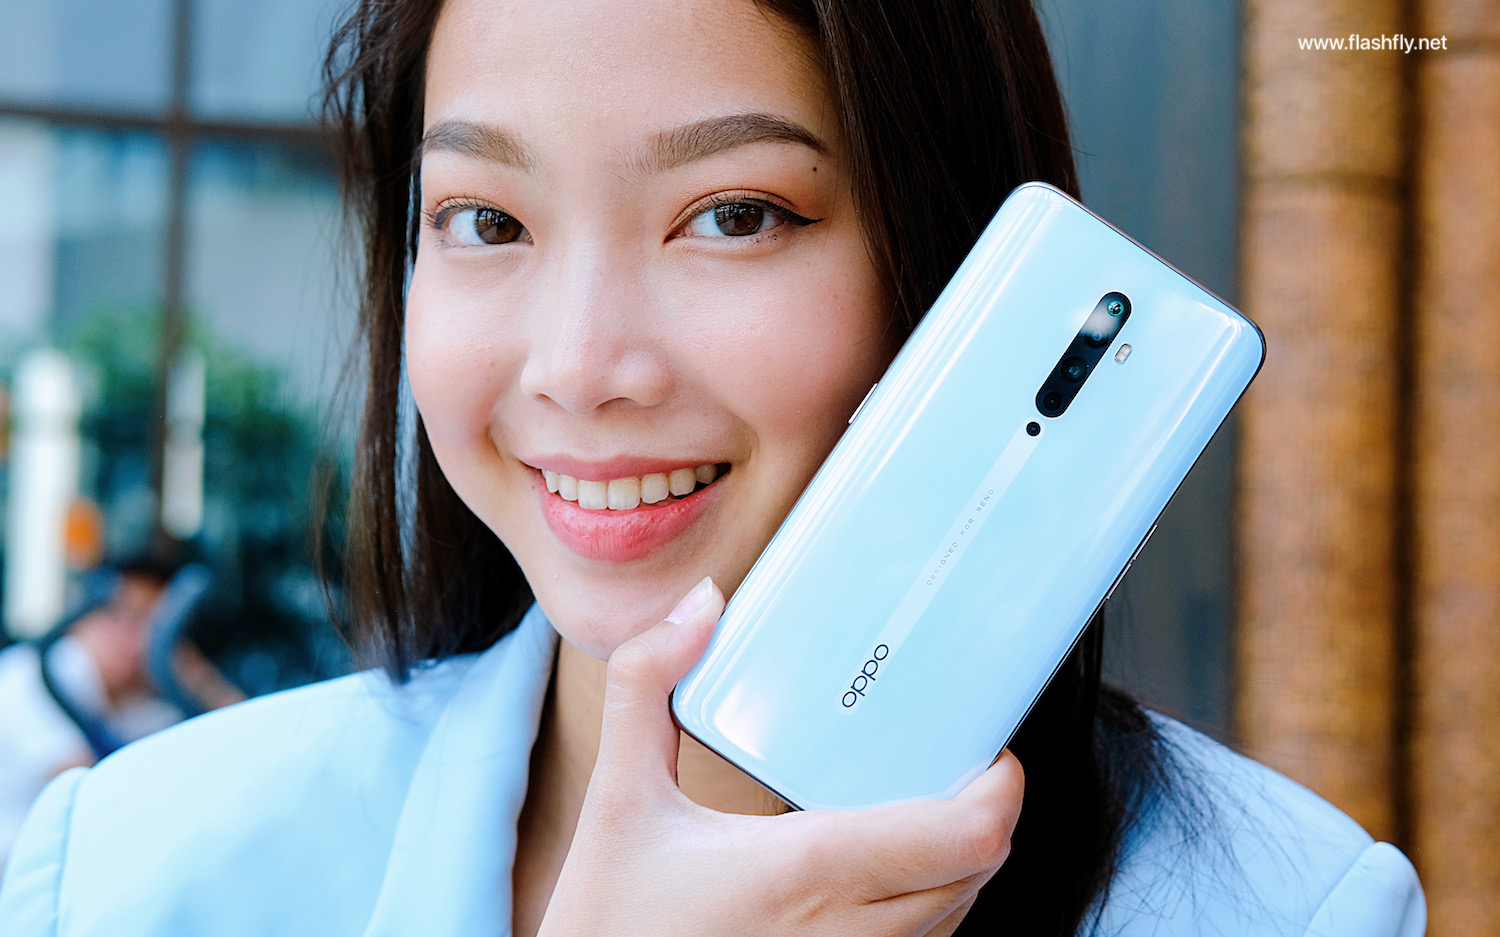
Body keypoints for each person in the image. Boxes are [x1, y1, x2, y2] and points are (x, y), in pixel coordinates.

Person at [0, 1, 1425, 934]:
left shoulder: (1282, 910)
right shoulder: (130, 874)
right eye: (487, 220)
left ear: (952, 265)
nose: (581, 365)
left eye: (734, 213)